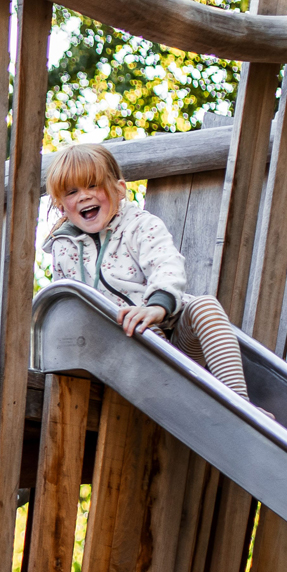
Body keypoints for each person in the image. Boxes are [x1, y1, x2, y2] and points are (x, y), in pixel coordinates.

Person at [41, 142, 253, 401]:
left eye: (93, 185)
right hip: (128, 347)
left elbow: (166, 264)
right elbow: (67, 308)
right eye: (72, 191)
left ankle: (239, 403)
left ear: (119, 190)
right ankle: (192, 395)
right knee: (140, 331)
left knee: (205, 306)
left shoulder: (140, 226)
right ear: (61, 206)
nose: (84, 195)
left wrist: (157, 306)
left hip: (176, 335)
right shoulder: (64, 249)